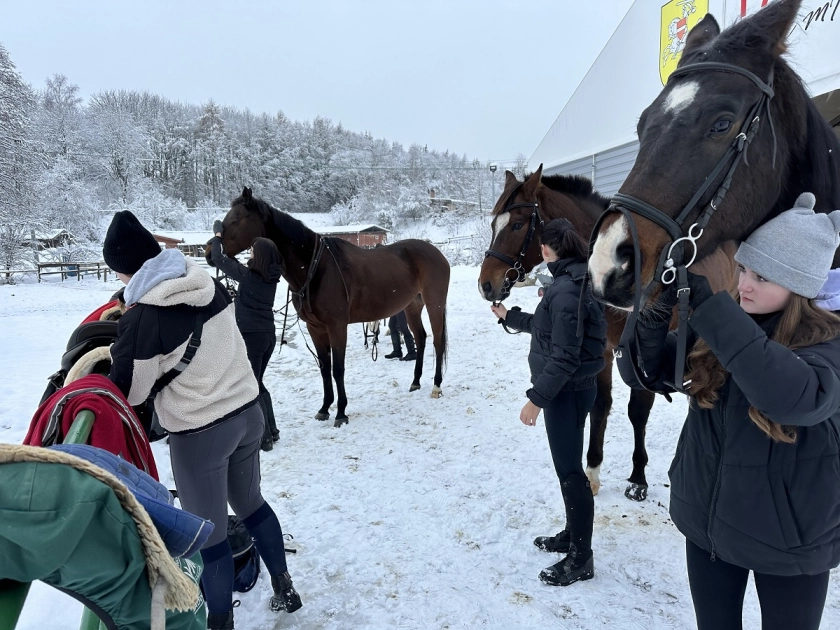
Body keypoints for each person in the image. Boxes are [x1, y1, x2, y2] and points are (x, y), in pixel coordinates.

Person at [618, 193, 840, 630]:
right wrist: (652, 311)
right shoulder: (729, 327)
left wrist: (716, 314)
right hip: (709, 528)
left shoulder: (828, 345)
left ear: (799, 284)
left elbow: (790, 396)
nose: (744, 285)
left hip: (789, 543)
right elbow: (647, 371)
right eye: (743, 269)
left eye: (762, 275)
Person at [103, 211, 301, 630]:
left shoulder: (143, 317)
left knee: (209, 542)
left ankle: (220, 624)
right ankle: (284, 587)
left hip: (201, 432)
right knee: (252, 504)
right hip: (248, 413)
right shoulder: (202, 282)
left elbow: (132, 392)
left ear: (124, 270)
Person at [489, 218, 607, 586]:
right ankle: (572, 537)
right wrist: (511, 317)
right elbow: (550, 327)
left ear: (545, 250)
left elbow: (565, 355)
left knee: (571, 474)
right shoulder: (570, 281)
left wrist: (536, 400)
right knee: (567, 469)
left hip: (565, 393)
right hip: (568, 391)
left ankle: (581, 558)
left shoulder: (568, 289)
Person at [208, 222, 284, 452]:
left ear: (259, 256)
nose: (249, 253)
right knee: (258, 382)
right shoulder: (269, 277)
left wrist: (218, 237)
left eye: (251, 251)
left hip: (252, 337)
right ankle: (273, 430)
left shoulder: (251, 277)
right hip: (267, 335)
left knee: (252, 385)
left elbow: (219, 259)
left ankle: (265, 437)